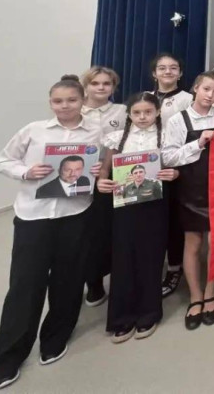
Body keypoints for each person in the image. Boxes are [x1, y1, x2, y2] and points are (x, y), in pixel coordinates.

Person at [0, 76, 102, 391]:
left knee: (68, 282)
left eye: (71, 100)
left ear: (82, 101)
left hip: (75, 214)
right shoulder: (33, 130)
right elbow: (2, 160)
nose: (65, 106)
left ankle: (55, 339)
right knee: (25, 285)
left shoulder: (95, 131)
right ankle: (5, 357)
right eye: (58, 101)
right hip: (33, 216)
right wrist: (26, 172)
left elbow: (102, 164)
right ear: (51, 103)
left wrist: (96, 170)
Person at [96, 92, 175, 343]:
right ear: (129, 114)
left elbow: (176, 166)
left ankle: (149, 313)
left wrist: (174, 174)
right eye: (137, 112)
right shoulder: (118, 137)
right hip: (124, 204)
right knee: (123, 256)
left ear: (158, 112)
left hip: (155, 202)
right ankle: (121, 317)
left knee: (151, 256)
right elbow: (106, 168)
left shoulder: (166, 136)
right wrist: (101, 181)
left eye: (148, 112)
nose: (142, 117)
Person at [162, 70, 214, 331]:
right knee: (193, 242)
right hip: (191, 188)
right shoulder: (178, 119)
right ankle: (195, 296)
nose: (210, 95)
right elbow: (168, 157)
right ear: (195, 88)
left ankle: (210, 291)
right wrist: (199, 143)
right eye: (206, 89)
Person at [80, 66, 126, 308]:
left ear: (113, 87)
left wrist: (104, 171)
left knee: (104, 229)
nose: (100, 87)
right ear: (86, 86)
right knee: (81, 232)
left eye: (106, 83)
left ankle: (99, 279)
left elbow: (119, 144)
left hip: (111, 175)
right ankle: (87, 279)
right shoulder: (75, 109)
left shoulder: (122, 111)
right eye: (95, 83)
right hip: (78, 175)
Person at [148, 53, 193, 298]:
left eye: (173, 68)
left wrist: (179, 168)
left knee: (175, 221)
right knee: (153, 221)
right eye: (162, 68)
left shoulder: (188, 99)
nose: (168, 71)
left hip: (176, 169)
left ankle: (175, 267)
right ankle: (152, 266)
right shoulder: (145, 98)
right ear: (154, 73)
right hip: (148, 169)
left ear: (180, 73)